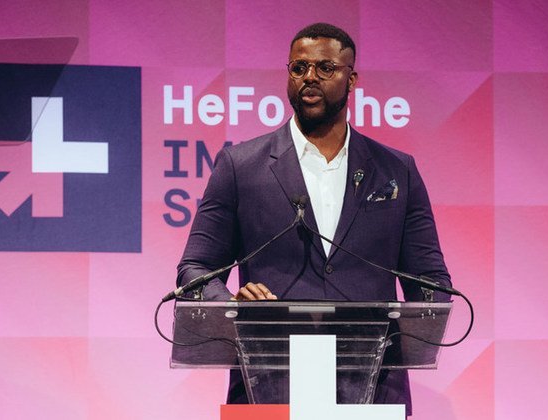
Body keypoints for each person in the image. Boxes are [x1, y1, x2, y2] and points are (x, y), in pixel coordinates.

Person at [176, 22, 451, 415]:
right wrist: (233, 304)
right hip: (270, 381)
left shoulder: (397, 171)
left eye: (325, 68)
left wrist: (413, 327)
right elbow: (195, 269)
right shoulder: (240, 166)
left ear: (351, 78)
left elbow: (430, 280)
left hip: (373, 389)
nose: (309, 77)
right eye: (298, 67)